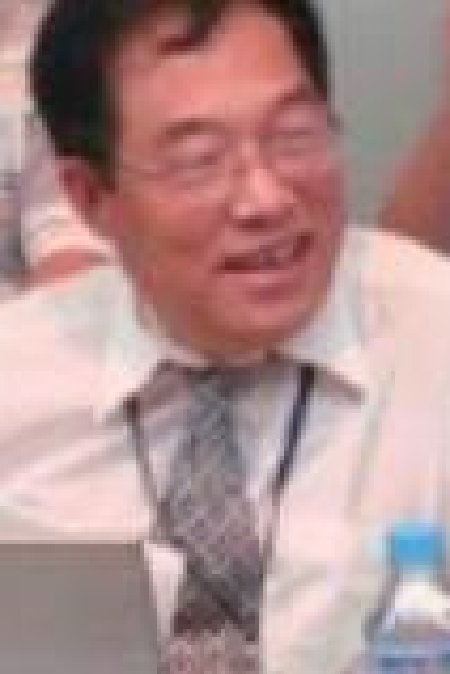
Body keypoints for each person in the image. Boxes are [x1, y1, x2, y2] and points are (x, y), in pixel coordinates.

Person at [2, 1, 450, 672]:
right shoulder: (19, 379)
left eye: (295, 136)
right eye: (197, 161)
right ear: (90, 197)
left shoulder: (432, 339)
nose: (266, 198)